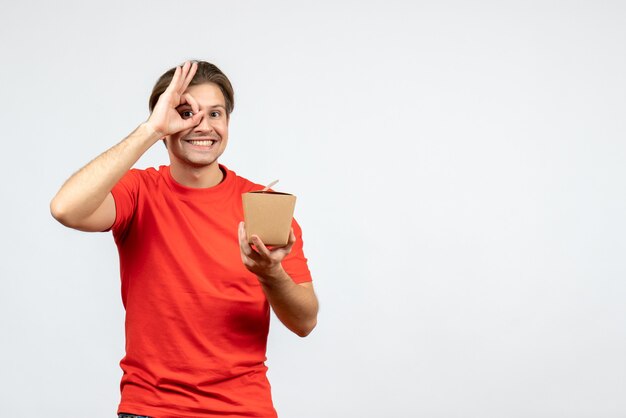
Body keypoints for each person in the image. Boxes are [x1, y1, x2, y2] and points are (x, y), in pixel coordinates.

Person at [50, 60, 319, 418]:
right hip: (151, 409)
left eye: (215, 114)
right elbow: (66, 208)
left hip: (244, 410)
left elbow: (305, 321)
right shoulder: (140, 192)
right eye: (186, 112)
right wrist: (150, 129)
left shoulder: (262, 206)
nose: (202, 126)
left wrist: (270, 274)